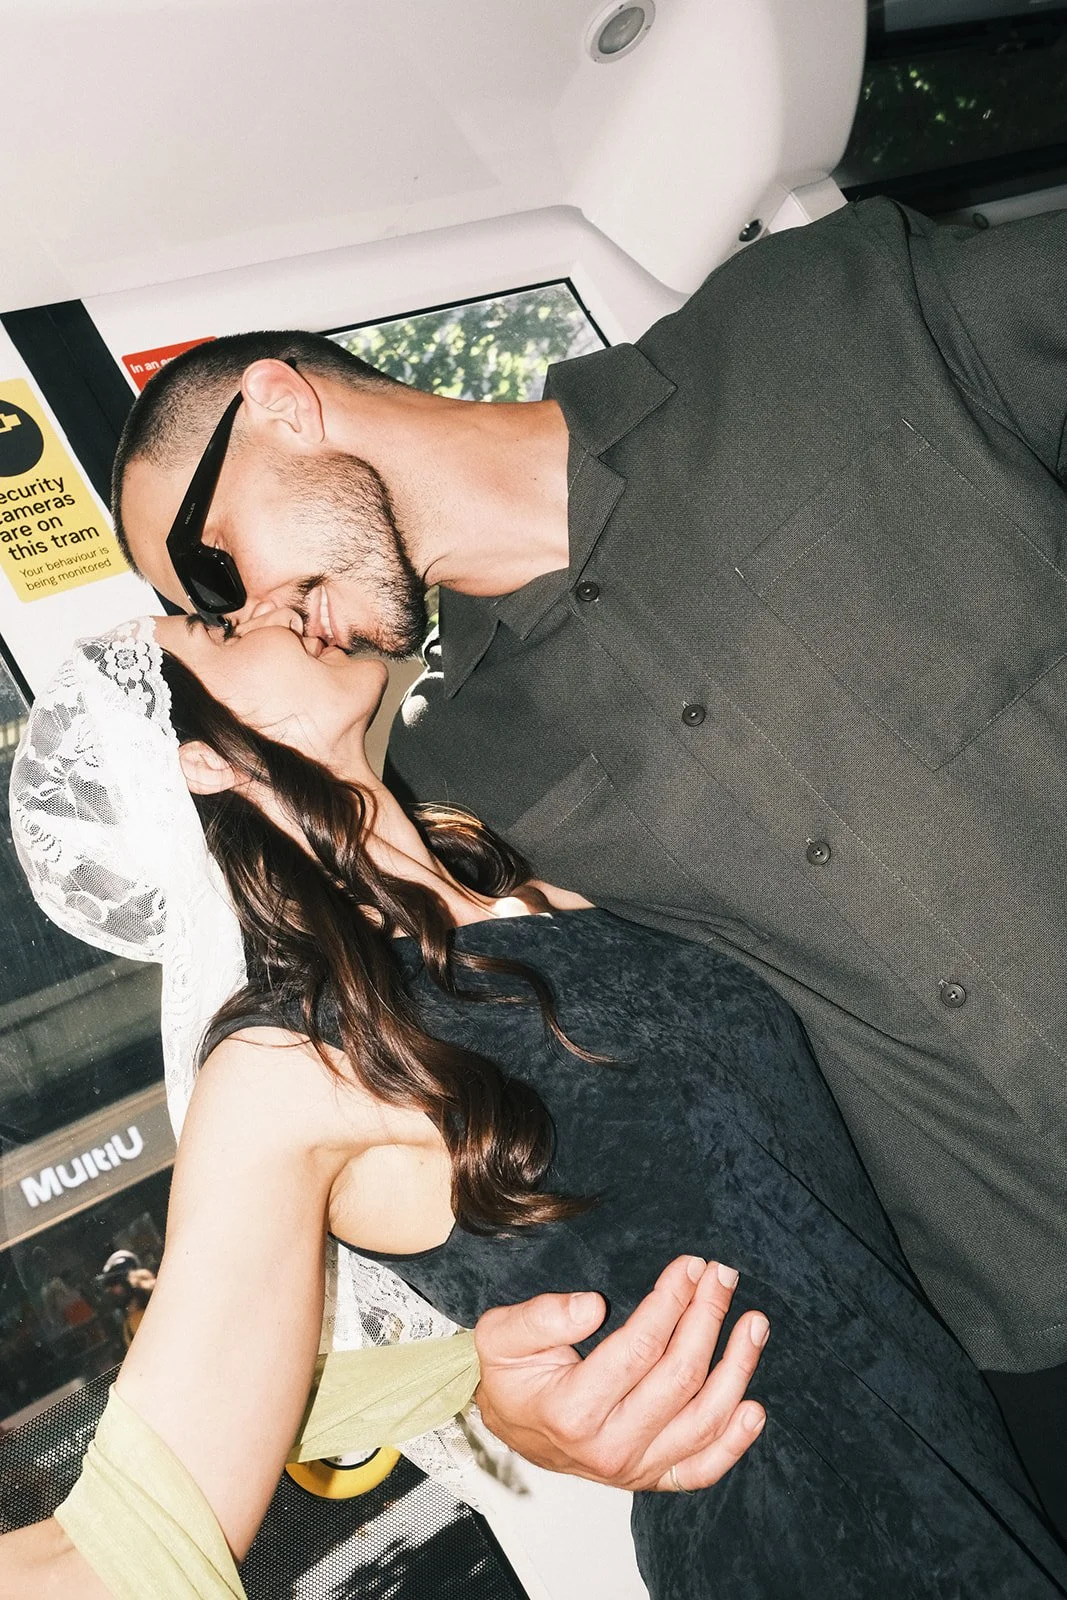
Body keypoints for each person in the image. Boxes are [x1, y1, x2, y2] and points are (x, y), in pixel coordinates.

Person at [108, 195, 1067, 1526]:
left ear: (279, 403)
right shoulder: (469, 819)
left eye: (210, 570)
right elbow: (597, 1155)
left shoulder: (821, 325)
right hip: (1016, 1364)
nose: (244, 612)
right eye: (208, 618)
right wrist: (493, 1392)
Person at [3, 614, 1066, 1599]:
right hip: (808, 1536)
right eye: (220, 628)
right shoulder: (290, 1062)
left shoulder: (527, 874)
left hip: (969, 1438)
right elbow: (124, 1544)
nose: (269, 610)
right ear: (204, 759)